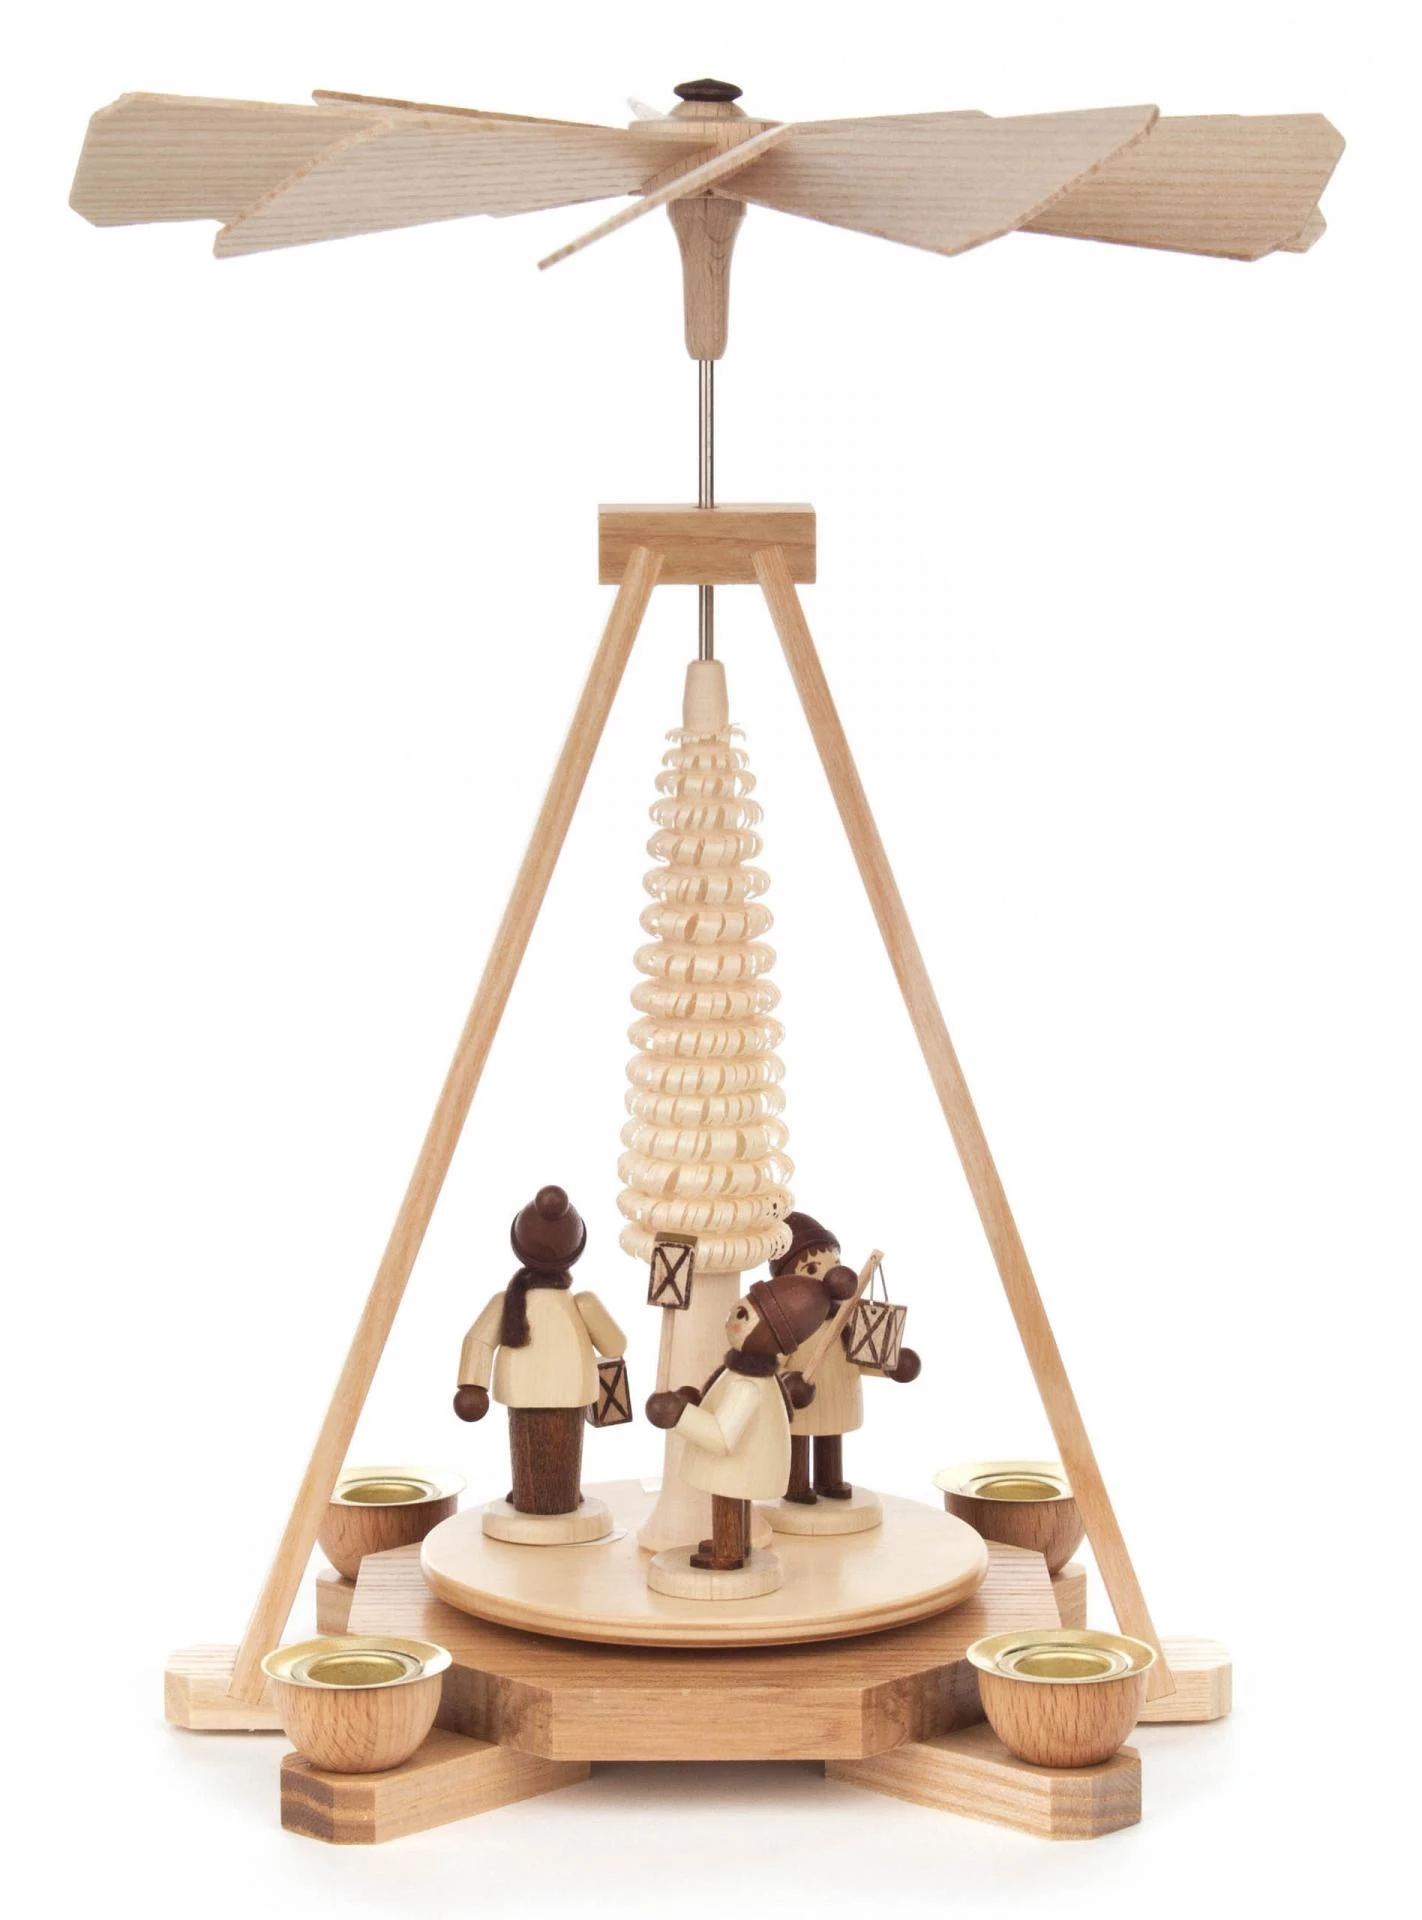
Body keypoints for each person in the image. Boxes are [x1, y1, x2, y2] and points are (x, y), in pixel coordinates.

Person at [646, 1260, 857, 1570]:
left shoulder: (747, 1387)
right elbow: (717, 1404)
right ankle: (735, 1543)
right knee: (732, 1502)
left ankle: (728, 1551)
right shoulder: (747, 1376)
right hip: (742, 1464)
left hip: (737, 1465)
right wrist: (693, 1401)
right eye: (740, 1307)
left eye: (744, 1315)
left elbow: (721, 1437)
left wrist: (680, 1415)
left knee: (729, 1500)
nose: (733, 1316)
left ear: (771, 1336)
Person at [453, 1185, 625, 1515]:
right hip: (571, 1390)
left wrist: (472, 1385)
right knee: (563, 1450)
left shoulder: (508, 1303)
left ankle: (531, 1495)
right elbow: (616, 1345)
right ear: (576, 1248)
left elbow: (478, 1341)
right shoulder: (582, 1304)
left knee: (527, 1448)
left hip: (522, 1391)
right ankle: (553, 1497)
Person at [772, 1211, 921, 1504]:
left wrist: (890, 1367)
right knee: (800, 1434)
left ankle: (829, 1480)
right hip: (801, 1395)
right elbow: (774, 1359)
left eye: (835, 1264)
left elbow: (862, 1354)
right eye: (813, 1267)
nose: (831, 1275)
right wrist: (780, 1381)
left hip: (837, 1392)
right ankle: (796, 1484)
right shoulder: (790, 1323)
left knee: (831, 1434)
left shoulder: (847, 1316)